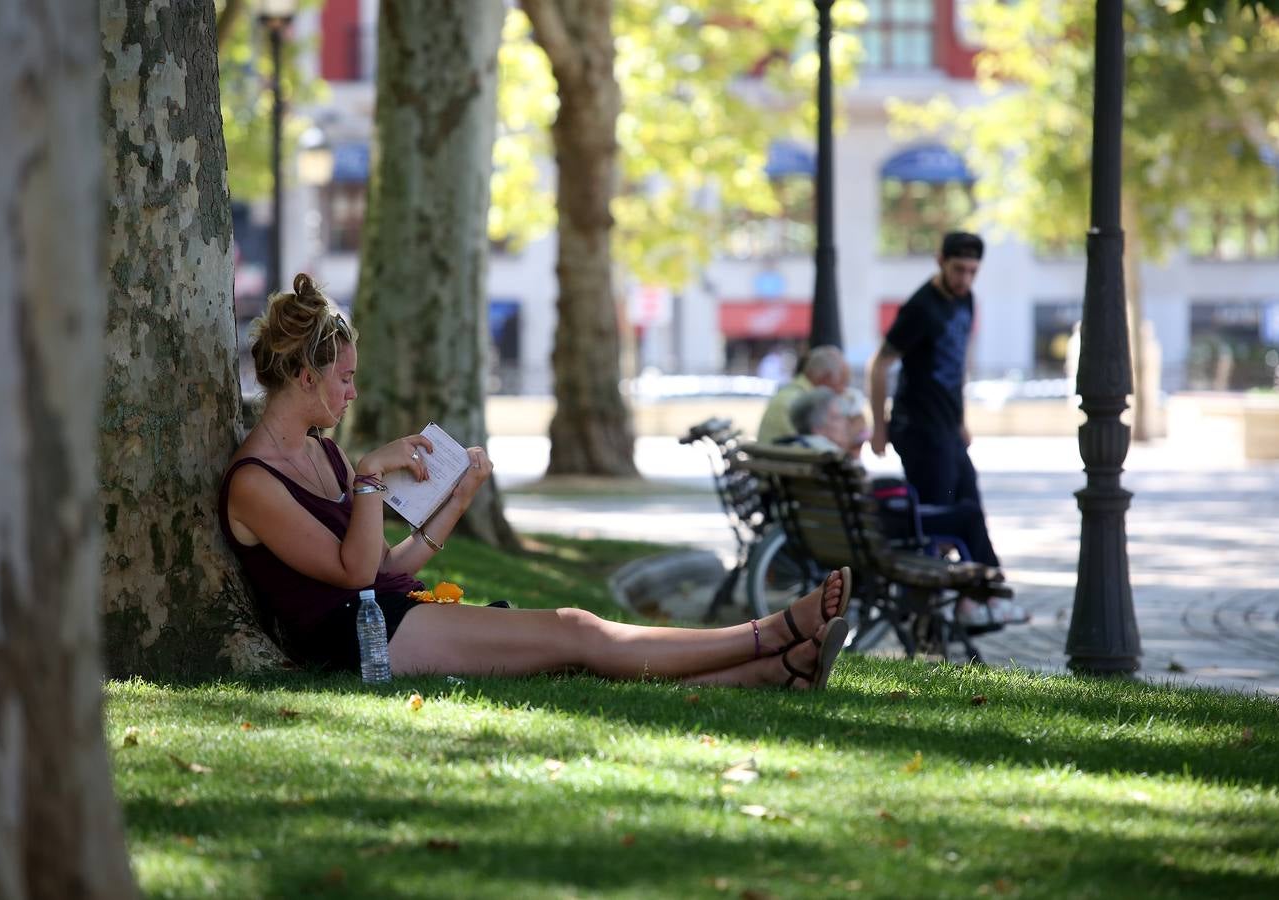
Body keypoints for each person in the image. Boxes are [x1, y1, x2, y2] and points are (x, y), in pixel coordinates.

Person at [219, 275, 851, 687]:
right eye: (345, 378)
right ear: (306, 374)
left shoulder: (321, 454)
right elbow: (355, 577)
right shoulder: (255, 483)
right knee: (576, 631)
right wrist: (367, 476)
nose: (352, 393)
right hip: (364, 643)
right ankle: (770, 633)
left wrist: (456, 500)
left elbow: (385, 564)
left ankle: (776, 671)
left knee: (571, 655)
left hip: (393, 615)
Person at [866, 233, 1027, 626]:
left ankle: (980, 595)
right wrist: (879, 426)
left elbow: (957, 365)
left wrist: (962, 419)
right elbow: (879, 364)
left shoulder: (967, 300)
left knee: (969, 502)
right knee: (945, 516)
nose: (965, 279)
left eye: (973, 271)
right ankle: (953, 603)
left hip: (947, 429)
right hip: (918, 430)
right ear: (940, 261)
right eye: (958, 269)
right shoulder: (921, 307)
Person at [757, 344, 849, 445]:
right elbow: (816, 448)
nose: (843, 391)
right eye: (842, 383)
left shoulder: (794, 396)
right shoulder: (797, 402)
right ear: (826, 378)